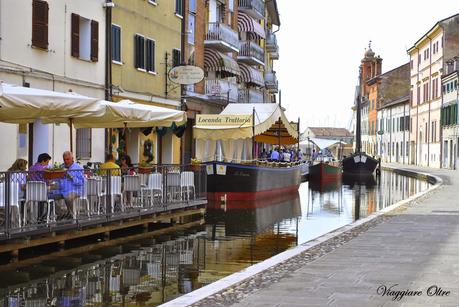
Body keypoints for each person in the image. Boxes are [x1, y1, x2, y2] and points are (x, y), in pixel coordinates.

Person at [57, 151, 85, 217]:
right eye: (64, 159)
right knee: (49, 196)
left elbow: (81, 182)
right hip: (62, 190)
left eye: (68, 159)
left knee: (68, 197)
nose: (66, 161)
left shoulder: (78, 168)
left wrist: (72, 178)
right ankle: (61, 213)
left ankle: (72, 214)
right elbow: (57, 180)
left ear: (72, 158)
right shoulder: (61, 167)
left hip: (75, 190)